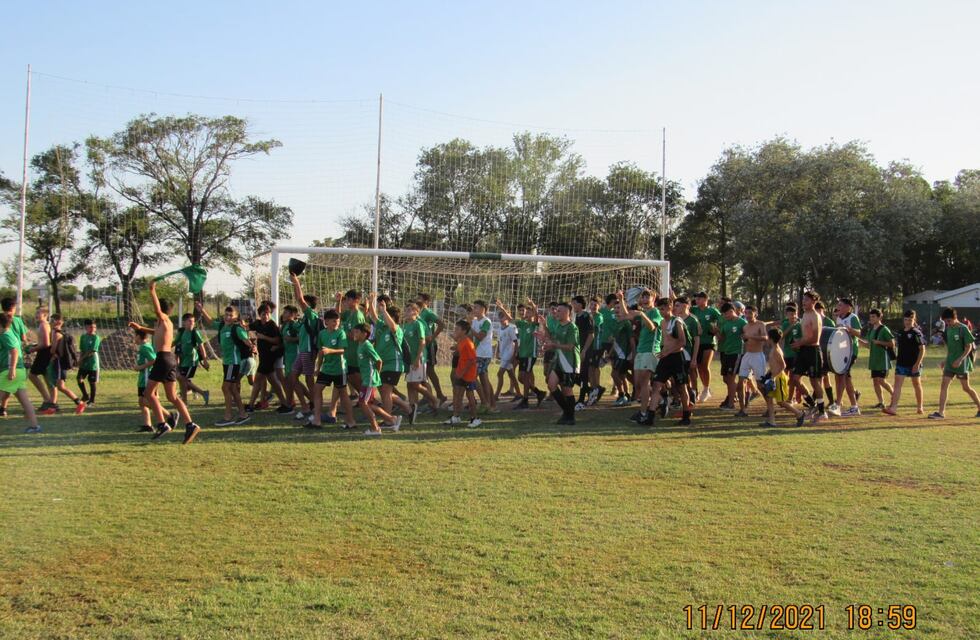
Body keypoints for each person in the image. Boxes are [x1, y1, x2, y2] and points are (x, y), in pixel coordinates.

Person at [128, 280, 198, 442]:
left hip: (163, 359)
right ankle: (190, 424)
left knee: (148, 393)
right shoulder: (163, 324)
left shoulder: (164, 318)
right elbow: (155, 331)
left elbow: (157, 309)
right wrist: (139, 328)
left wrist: (153, 290)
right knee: (172, 396)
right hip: (169, 359)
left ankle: (162, 424)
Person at [197, 302, 251, 427]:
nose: (227, 317)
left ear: (235, 317)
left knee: (225, 388)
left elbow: (245, 339)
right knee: (232, 389)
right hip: (227, 363)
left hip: (234, 362)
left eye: (230, 315)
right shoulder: (222, 326)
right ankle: (243, 414)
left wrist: (252, 346)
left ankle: (228, 417)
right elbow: (210, 322)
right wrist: (201, 310)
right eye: (226, 315)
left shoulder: (236, 328)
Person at [368, 295, 417, 422]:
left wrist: (384, 311)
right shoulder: (382, 327)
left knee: (385, 392)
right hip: (382, 364)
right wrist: (370, 302)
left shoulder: (397, 329)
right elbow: (373, 317)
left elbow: (393, 326)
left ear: (392, 318)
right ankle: (409, 408)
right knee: (385, 392)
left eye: (385, 316)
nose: (382, 317)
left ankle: (388, 420)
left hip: (393, 364)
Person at [616, 288, 661, 422]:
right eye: (643, 297)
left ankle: (643, 412)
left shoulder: (654, 312)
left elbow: (652, 327)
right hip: (641, 350)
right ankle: (661, 398)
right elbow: (625, 315)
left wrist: (642, 315)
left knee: (644, 382)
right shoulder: (644, 312)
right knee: (638, 383)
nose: (645, 300)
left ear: (653, 299)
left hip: (650, 350)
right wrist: (620, 299)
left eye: (648, 297)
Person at [647, 298, 694, 426]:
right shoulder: (662, 322)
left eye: (662, 309)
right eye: (659, 309)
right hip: (665, 358)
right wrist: (661, 351)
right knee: (656, 385)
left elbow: (682, 342)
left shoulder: (677, 322)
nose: (660, 312)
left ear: (669, 307)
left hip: (677, 358)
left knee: (681, 387)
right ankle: (649, 417)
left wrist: (667, 351)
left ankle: (686, 416)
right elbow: (665, 341)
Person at [307, 308, 356, 429]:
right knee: (317, 390)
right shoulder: (322, 334)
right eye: (334, 321)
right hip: (326, 369)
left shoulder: (341, 333)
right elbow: (320, 351)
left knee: (344, 395)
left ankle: (351, 422)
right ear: (326, 322)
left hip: (340, 370)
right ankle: (317, 420)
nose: (336, 323)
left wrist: (330, 350)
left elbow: (342, 350)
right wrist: (318, 368)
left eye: (338, 321)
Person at [351, 322, 402, 436]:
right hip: (366, 378)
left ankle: (375, 428)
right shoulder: (360, 344)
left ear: (365, 334)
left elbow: (378, 360)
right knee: (368, 404)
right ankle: (392, 419)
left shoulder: (367, 345)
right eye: (354, 331)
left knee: (363, 403)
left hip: (369, 379)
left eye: (357, 332)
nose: (354, 333)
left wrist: (375, 374)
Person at [929, 307, 980, 419]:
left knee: (966, 388)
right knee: (944, 385)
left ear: (954, 318)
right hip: (950, 363)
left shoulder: (963, 329)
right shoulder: (949, 329)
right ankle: (941, 413)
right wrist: (945, 360)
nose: (947, 324)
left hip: (961, 363)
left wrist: (960, 359)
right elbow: (951, 348)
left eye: (949, 321)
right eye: (946, 322)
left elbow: (969, 347)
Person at [497, 299, 546, 409]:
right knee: (520, 378)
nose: (527, 314)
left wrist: (533, 305)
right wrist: (502, 308)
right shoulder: (522, 324)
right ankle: (538, 392)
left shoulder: (534, 325)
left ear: (533, 314)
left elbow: (537, 315)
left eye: (530, 312)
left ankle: (525, 400)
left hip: (530, 355)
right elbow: (510, 319)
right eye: (527, 313)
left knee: (526, 375)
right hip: (523, 354)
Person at [791, 291, 830, 423]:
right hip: (803, 350)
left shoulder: (816, 316)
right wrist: (798, 342)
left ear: (813, 302)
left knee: (815, 382)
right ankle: (812, 405)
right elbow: (806, 335)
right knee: (795, 378)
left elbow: (814, 338)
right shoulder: (804, 315)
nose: (804, 302)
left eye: (807, 300)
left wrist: (799, 342)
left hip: (813, 351)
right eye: (803, 299)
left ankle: (822, 412)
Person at [0, 312, 41, 433]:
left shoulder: (5, 335)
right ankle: (35, 426)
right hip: (20, 371)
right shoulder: (9, 333)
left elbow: (14, 351)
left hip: (11, 371)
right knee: (25, 401)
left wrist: (11, 368)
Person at [289, 272, 320, 420]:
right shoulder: (303, 320)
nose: (301, 305)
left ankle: (314, 408)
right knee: (292, 378)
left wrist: (296, 283)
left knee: (309, 381)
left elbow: (299, 299)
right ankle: (306, 407)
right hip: (301, 352)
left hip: (308, 352)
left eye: (304, 303)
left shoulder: (312, 316)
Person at [543, 301, 580, 425]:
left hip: (569, 362)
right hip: (559, 361)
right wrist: (545, 335)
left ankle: (570, 416)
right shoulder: (558, 325)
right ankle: (567, 413)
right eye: (556, 310)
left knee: (567, 391)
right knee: (551, 384)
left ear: (567, 312)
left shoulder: (572, 327)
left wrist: (553, 345)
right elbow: (554, 340)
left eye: (559, 311)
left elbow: (570, 347)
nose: (556, 313)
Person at [761, 327, 806, 428]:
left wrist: (773, 377)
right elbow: (774, 365)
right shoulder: (773, 349)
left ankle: (799, 414)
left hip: (779, 378)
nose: (767, 339)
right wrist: (768, 375)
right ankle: (771, 421)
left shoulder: (776, 350)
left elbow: (783, 366)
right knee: (769, 398)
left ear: (771, 338)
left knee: (781, 402)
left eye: (768, 337)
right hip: (773, 377)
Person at [884, 310, 926, 416]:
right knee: (897, 385)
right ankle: (893, 408)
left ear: (914, 320)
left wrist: (917, 364)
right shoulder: (901, 332)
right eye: (905, 319)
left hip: (914, 364)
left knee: (916, 384)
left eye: (910, 320)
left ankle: (920, 407)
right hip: (901, 363)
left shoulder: (916, 333)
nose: (907, 322)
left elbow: (922, 349)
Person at [402, 302, 441, 416]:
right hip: (409, 359)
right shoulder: (405, 325)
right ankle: (413, 408)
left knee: (415, 384)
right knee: (410, 384)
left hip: (418, 358)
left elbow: (423, 341)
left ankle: (434, 400)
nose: (406, 312)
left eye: (409, 310)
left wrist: (418, 358)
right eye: (406, 310)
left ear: (416, 312)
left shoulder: (418, 324)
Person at [246, 304, 287, 412]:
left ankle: (250, 405)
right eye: (264, 314)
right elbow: (249, 330)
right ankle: (285, 403)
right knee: (273, 381)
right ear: (260, 315)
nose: (266, 316)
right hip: (263, 356)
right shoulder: (257, 323)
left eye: (268, 314)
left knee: (258, 379)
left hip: (270, 356)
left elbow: (278, 340)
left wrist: (264, 337)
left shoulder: (272, 325)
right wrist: (252, 341)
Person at [46, 314, 86, 414]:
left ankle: (79, 403)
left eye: (52, 320)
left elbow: (53, 349)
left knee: (60, 386)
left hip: (59, 363)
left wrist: (49, 351)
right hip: (60, 362)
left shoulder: (56, 334)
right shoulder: (62, 332)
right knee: (54, 385)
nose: (50, 322)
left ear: (59, 322)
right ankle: (52, 407)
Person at [859, 309, 895, 409]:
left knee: (881, 381)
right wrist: (858, 341)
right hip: (874, 361)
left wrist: (880, 342)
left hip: (882, 360)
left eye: (873, 317)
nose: (871, 318)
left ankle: (894, 396)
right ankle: (881, 402)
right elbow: (869, 345)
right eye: (870, 317)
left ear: (879, 317)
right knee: (875, 381)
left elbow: (892, 344)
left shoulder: (884, 329)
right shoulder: (871, 330)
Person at [417, 293, 448, 406]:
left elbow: (441, 324)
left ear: (427, 302)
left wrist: (432, 337)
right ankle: (428, 395)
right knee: (422, 371)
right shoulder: (418, 312)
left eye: (420, 299)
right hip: (421, 346)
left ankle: (439, 395)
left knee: (429, 370)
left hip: (429, 346)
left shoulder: (428, 313)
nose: (418, 300)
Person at [735, 305, 767, 417]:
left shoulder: (760, 324)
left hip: (758, 356)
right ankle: (742, 410)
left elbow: (765, 338)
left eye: (750, 313)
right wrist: (745, 338)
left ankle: (769, 407)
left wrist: (751, 337)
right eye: (746, 313)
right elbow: (746, 339)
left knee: (760, 384)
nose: (747, 315)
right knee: (740, 382)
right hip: (747, 355)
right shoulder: (745, 326)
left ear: (755, 313)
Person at [0, 297, 29, 417]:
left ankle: (3, 408)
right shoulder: (17, 320)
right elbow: (23, 338)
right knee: (11, 384)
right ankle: (5, 408)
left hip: (6, 356)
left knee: (7, 383)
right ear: (13, 307)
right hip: (17, 358)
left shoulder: (1, 318)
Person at [690, 292, 722, 402]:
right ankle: (699, 390)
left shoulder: (712, 311)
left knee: (705, 365)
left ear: (705, 299)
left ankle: (706, 389)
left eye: (699, 299)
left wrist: (716, 329)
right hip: (697, 342)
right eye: (696, 299)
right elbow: (683, 308)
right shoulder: (694, 310)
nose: (697, 301)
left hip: (709, 342)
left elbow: (721, 321)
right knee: (698, 367)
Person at [833, 298, 862, 417]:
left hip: (850, 351)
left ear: (847, 307)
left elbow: (859, 333)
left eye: (840, 305)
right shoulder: (838, 318)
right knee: (843, 377)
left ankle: (849, 406)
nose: (838, 307)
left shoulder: (853, 317)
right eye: (838, 305)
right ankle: (842, 404)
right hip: (841, 351)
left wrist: (849, 329)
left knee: (844, 377)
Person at [175, 313, 210, 406]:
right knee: (182, 380)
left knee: (182, 379)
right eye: (190, 321)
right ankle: (184, 402)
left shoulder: (195, 332)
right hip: (183, 360)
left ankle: (203, 393)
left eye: (193, 321)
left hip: (192, 360)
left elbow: (201, 347)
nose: (192, 323)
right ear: (184, 322)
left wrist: (205, 360)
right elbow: (175, 343)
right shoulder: (181, 332)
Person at [717, 302, 746, 410]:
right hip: (726, 352)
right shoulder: (726, 323)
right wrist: (716, 332)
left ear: (731, 311)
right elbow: (722, 338)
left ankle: (731, 403)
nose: (725, 316)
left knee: (731, 378)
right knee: (726, 378)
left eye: (726, 314)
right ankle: (738, 392)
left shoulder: (741, 322)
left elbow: (746, 336)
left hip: (736, 353)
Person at [470, 300, 496, 412]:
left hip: (483, 354)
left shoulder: (487, 321)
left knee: (473, 377)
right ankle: (490, 405)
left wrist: (470, 329)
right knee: (484, 379)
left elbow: (480, 337)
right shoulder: (475, 321)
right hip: (477, 353)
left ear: (482, 309)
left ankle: (485, 402)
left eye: (476, 307)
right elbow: (472, 338)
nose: (474, 310)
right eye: (473, 307)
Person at [279, 305, 306, 415]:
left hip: (295, 354)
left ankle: (294, 405)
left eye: (286, 313)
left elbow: (302, 336)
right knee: (291, 381)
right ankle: (291, 403)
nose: (284, 314)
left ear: (293, 315)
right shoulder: (285, 325)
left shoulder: (294, 325)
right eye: (284, 312)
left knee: (292, 380)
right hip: (287, 355)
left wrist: (292, 339)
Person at [28, 306, 55, 414]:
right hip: (43, 353)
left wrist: (33, 349)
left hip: (44, 354)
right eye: (36, 312)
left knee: (32, 375)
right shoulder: (41, 325)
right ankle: (50, 401)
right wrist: (35, 345)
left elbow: (46, 344)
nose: (36, 315)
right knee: (46, 378)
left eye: (39, 313)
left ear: (45, 315)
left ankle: (48, 399)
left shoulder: (44, 325)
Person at [571, 295, 595, 410]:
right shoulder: (577, 316)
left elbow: (591, 334)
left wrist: (584, 350)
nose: (572, 306)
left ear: (580, 304)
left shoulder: (587, 315)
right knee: (576, 375)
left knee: (583, 375)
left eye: (574, 303)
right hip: (578, 350)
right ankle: (592, 390)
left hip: (586, 350)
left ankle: (580, 401)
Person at [494, 306, 520, 403]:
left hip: (508, 355)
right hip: (503, 354)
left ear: (507, 317)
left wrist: (514, 355)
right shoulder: (499, 329)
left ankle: (496, 395)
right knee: (512, 375)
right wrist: (497, 352)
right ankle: (519, 394)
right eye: (500, 316)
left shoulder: (511, 329)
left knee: (499, 373)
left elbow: (515, 342)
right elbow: (499, 342)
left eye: (503, 316)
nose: (501, 318)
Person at [133, 328, 156, 433]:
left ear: (138, 336)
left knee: (147, 401)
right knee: (141, 402)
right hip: (142, 378)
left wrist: (140, 367)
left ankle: (169, 415)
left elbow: (153, 360)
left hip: (147, 377)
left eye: (135, 335)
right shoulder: (142, 347)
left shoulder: (145, 347)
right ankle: (148, 425)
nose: (134, 338)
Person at [76, 319, 101, 407]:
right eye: (91, 327)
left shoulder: (96, 337)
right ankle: (85, 395)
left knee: (92, 382)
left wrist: (81, 359)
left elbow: (91, 351)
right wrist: (80, 360)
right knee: (79, 379)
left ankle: (92, 401)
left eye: (94, 327)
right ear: (86, 327)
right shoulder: (83, 337)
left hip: (93, 363)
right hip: (84, 362)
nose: (93, 329)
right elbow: (82, 350)